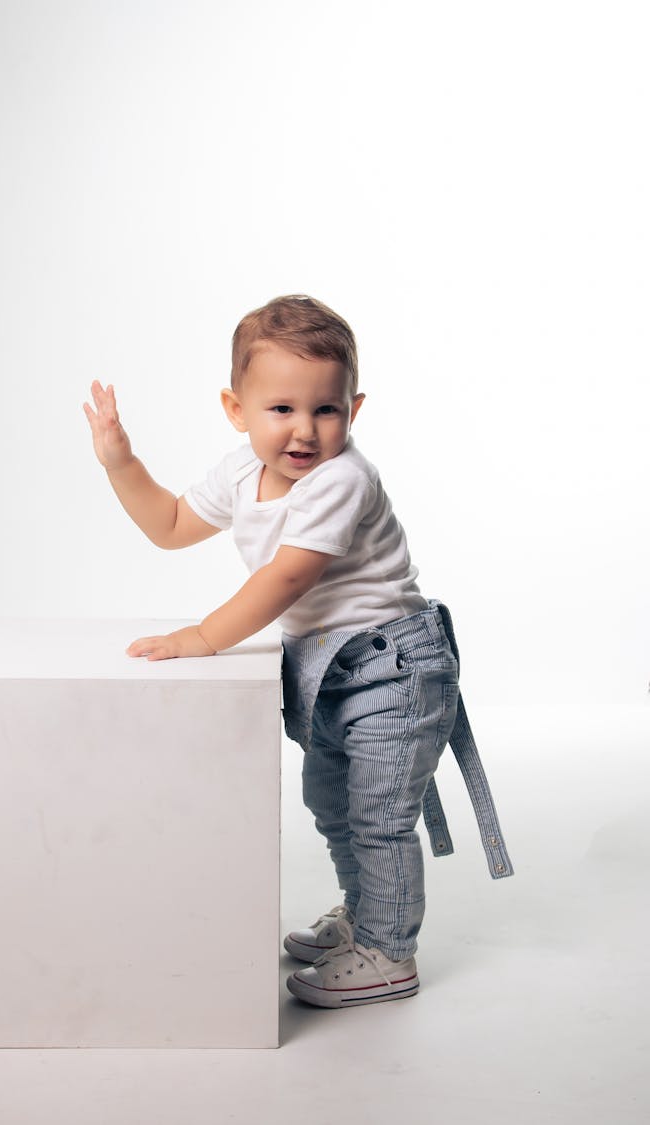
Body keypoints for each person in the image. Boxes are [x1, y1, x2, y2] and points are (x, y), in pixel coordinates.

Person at [83, 294, 513, 1009]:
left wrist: (203, 637)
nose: (305, 430)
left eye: (327, 409)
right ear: (236, 407)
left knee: (378, 813)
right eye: (281, 408)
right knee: (333, 802)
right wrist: (120, 461)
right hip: (330, 667)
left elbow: (287, 575)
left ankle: (389, 950)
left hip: (393, 666)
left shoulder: (343, 478)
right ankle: (363, 914)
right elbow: (171, 524)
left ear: (355, 407)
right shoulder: (237, 474)